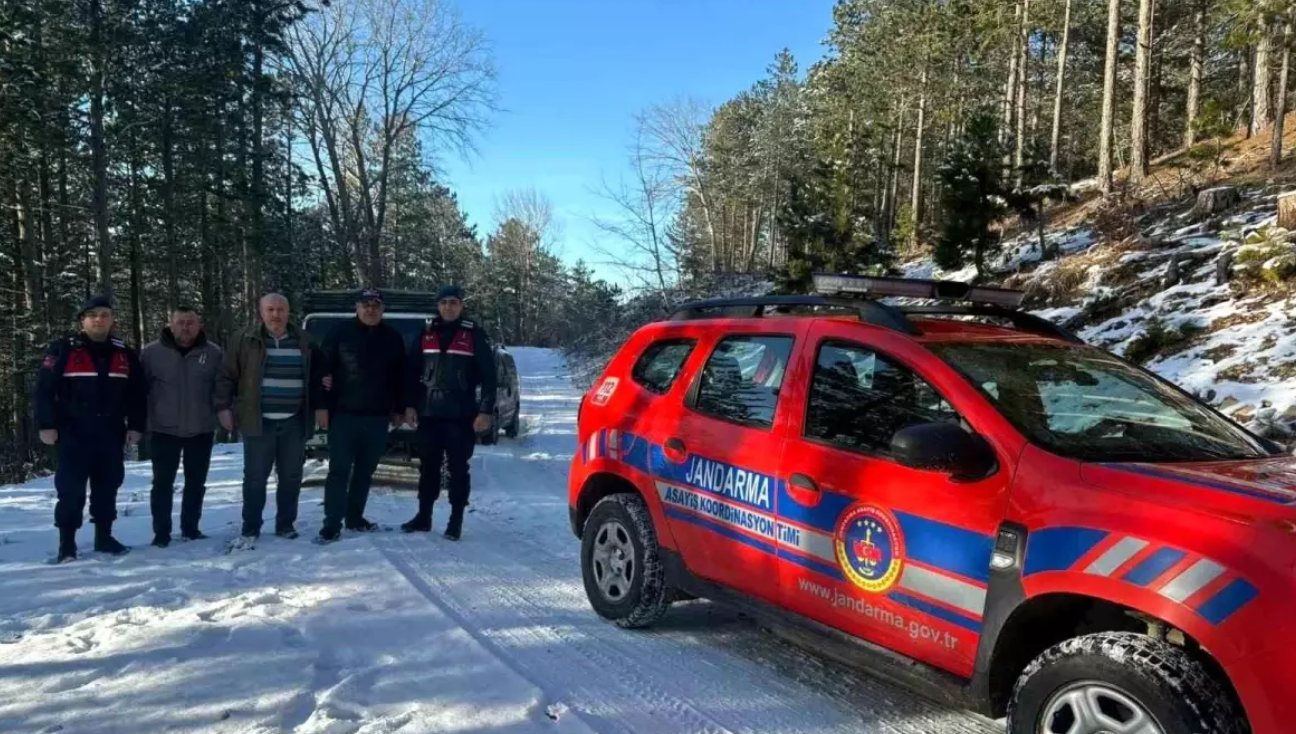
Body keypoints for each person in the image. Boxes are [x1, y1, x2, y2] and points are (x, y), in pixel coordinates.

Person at [34, 295, 147, 562]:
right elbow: (43, 390)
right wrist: (46, 425)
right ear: (82, 320)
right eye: (93, 315)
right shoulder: (62, 349)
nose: (99, 319)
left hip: (110, 432)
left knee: (108, 487)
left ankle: (104, 537)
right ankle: (67, 543)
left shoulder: (124, 353)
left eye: (104, 314)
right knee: (71, 490)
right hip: (73, 432)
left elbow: (138, 394)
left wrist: (137, 425)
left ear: (112, 320)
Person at [214, 292, 326, 543]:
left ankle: (286, 524)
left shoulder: (305, 340)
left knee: (291, 476)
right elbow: (226, 375)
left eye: (280, 310)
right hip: (258, 421)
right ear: (261, 312)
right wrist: (223, 407)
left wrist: (319, 408)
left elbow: (317, 378)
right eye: (270, 310)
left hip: (294, 421)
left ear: (288, 313)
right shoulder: (244, 340)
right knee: (255, 477)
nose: (276, 315)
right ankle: (251, 526)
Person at [401, 285, 496, 540]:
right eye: (444, 303)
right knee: (428, 467)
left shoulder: (473, 334)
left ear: (461, 305)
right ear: (438, 305)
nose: (448, 307)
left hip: (461, 414)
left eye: (453, 302)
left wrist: (485, 411)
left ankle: (455, 520)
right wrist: (409, 405)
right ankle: (424, 516)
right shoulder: (426, 331)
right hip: (429, 413)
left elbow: (490, 377)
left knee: (457, 468)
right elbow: (411, 372)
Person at [316, 287, 407, 543]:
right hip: (343, 415)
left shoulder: (393, 338)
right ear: (357, 307)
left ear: (382, 308)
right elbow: (322, 370)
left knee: (365, 471)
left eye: (375, 305)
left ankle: (355, 518)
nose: (370, 309)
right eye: (365, 304)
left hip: (378, 417)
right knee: (339, 471)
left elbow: (401, 377)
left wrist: (400, 408)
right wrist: (321, 406)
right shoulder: (339, 333)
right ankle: (331, 524)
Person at [140, 305, 223, 547]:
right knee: (162, 483)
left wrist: (224, 413)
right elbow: (139, 390)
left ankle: (191, 528)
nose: (185, 327)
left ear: (199, 326)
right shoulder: (152, 353)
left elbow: (222, 388)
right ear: (170, 324)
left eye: (190, 322)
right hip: (163, 429)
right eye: (180, 322)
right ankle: (161, 533)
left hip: (201, 427)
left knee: (196, 482)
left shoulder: (214, 353)